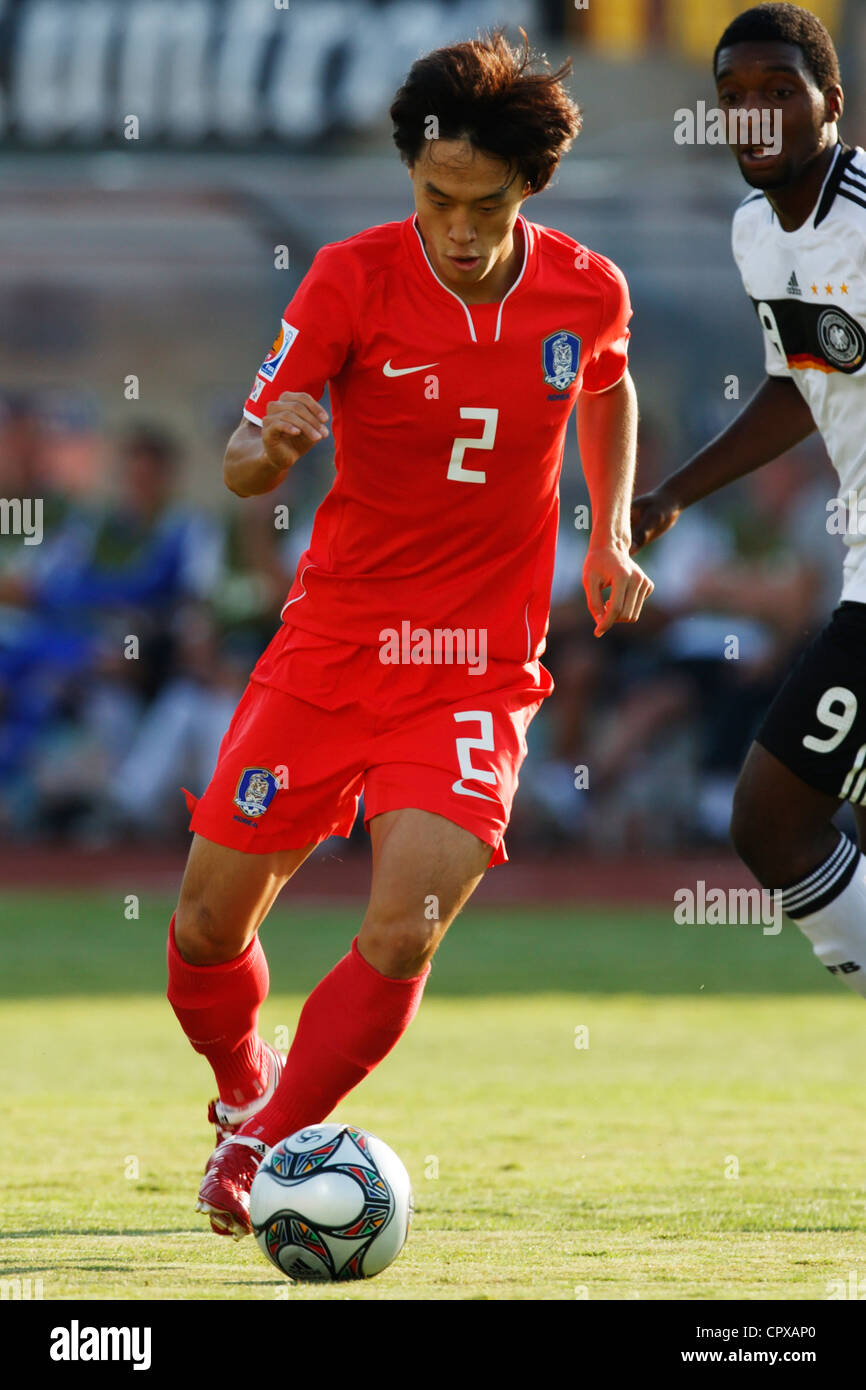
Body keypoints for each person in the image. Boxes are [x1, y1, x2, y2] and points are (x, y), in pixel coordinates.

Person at [168, 28, 653, 1238]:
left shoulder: (584, 289)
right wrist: (266, 444)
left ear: (526, 188)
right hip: (332, 647)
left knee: (405, 920)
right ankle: (243, 1088)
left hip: (476, 672)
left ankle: (265, 1150)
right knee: (201, 929)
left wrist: (607, 534)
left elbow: (606, 379)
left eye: (482, 201)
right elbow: (236, 461)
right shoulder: (347, 278)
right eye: (434, 195)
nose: (455, 223)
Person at [632, 6, 866, 992]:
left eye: (779, 91)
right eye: (734, 98)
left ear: (829, 105)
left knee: (769, 817)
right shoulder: (752, 235)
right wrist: (675, 491)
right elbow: (797, 385)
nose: (756, 116)